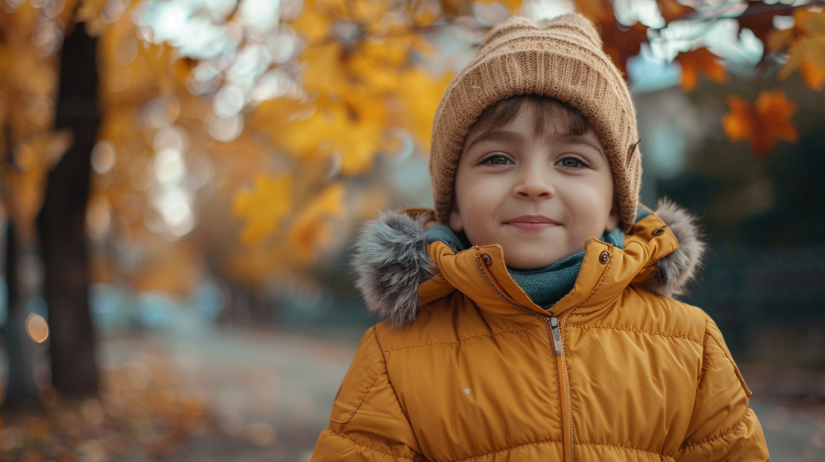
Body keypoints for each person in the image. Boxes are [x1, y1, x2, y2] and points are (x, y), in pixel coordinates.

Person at [310, 13, 769, 462]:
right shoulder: (395, 357)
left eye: (571, 161)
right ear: (452, 202)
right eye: (497, 158)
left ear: (615, 202)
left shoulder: (691, 345)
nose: (533, 183)